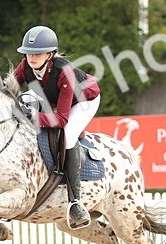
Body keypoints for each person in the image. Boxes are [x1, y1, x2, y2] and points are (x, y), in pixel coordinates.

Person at [12, 25, 101, 229]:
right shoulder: (25, 66)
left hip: (83, 100)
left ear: (50, 54)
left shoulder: (64, 72)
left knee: (68, 135)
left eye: (37, 53)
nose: (31, 58)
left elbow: (61, 119)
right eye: (28, 53)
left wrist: (34, 116)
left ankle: (76, 203)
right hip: (52, 97)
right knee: (23, 98)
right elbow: (9, 91)